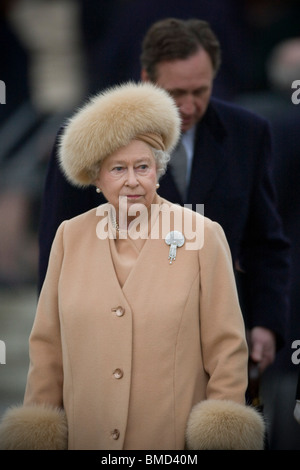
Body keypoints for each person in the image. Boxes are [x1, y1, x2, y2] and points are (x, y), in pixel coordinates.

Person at [0, 82, 265, 450]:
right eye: (117, 169)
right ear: (96, 177)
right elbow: (47, 348)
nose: (132, 181)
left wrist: (219, 430)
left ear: (159, 169)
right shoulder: (69, 236)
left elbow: (226, 347)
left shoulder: (202, 233)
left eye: (143, 166)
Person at [38, 18, 291, 379]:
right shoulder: (91, 138)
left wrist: (267, 322)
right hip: (119, 346)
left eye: (199, 91)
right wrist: (56, 353)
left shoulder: (248, 132)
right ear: (146, 78)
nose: (188, 106)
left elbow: (265, 242)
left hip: (222, 339)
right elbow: (55, 252)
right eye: (175, 93)